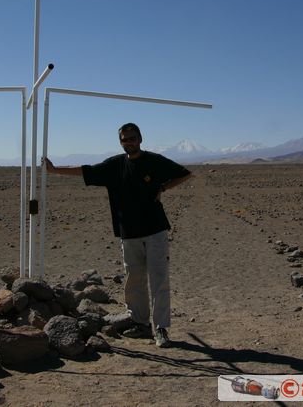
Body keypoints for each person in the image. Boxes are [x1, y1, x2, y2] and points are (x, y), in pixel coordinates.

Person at [44, 122, 192, 348]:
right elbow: (86, 171)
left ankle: (160, 328)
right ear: (120, 142)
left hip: (155, 231)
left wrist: (162, 188)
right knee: (134, 280)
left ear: (140, 139)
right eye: (124, 139)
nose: (129, 142)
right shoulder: (114, 165)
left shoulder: (154, 161)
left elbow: (184, 174)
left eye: (132, 138)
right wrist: (55, 171)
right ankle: (140, 323)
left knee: (159, 280)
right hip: (129, 233)